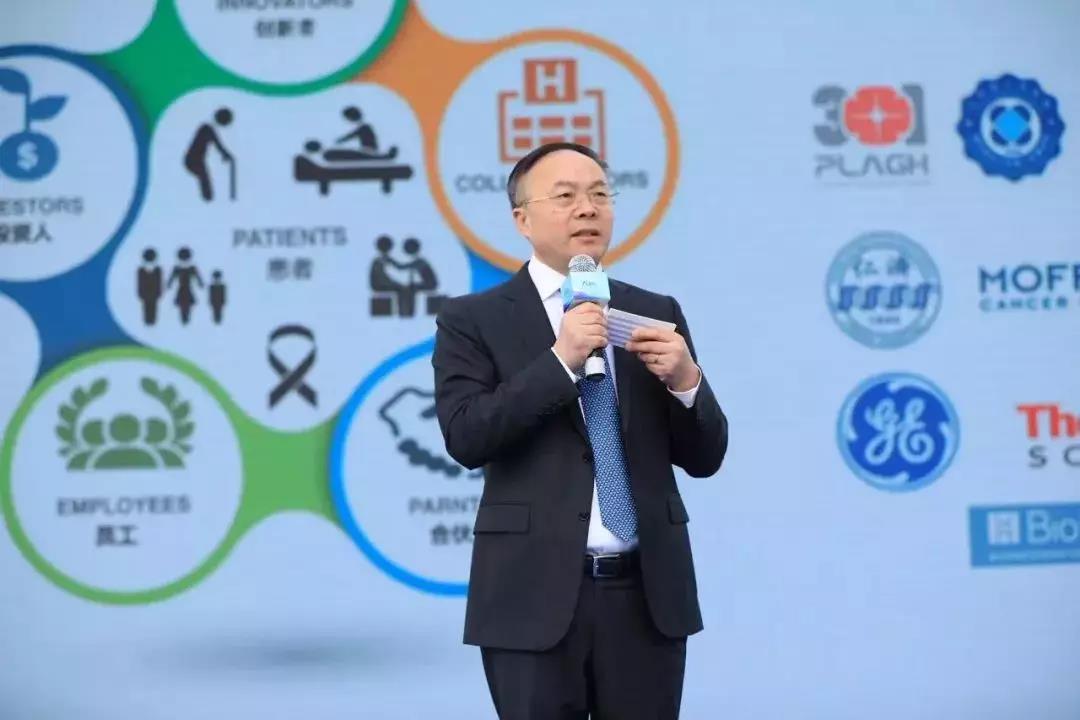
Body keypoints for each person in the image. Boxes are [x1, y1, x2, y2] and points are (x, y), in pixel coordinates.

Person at [432, 142, 728, 719]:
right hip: (530, 597)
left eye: (599, 195)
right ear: (522, 219)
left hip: (646, 598)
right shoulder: (474, 320)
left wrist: (687, 381)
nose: (587, 208)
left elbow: (705, 456)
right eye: (565, 196)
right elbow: (466, 436)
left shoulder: (655, 313)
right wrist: (560, 362)